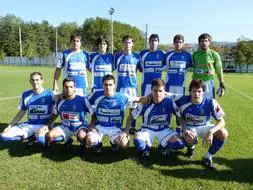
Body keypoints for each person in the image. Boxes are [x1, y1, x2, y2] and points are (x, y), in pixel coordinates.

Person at [175, 79, 228, 170]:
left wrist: (211, 132)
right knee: (188, 138)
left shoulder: (211, 102)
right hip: (189, 128)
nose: (196, 94)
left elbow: (222, 122)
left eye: (199, 91)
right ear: (190, 91)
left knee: (223, 133)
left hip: (205, 127)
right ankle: (191, 147)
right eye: (194, 91)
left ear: (203, 92)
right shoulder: (182, 99)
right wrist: (149, 95)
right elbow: (163, 94)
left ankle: (207, 157)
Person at [126, 78, 184, 158]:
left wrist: (184, 129)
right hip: (148, 129)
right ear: (151, 90)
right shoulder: (146, 102)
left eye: (160, 91)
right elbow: (131, 116)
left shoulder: (170, 102)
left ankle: (163, 146)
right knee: (138, 143)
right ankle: (146, 149)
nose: (157, 93)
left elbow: (179, 116)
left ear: (164, 91)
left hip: (164, 129)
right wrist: (126, 131)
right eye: (155, 91)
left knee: (179, 144)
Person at [85, 74, 142, 153]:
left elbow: (138, 99)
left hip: (115, 128)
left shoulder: (121, 97)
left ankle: (114, 142)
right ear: (102, 85)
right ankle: (98, 144)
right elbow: (83, 101)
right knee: (89, 141)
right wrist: (92, 121)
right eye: (106, 85)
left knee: (124, 144)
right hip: (99, 126)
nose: (108, 87)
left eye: (110, 85)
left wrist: (151, 97)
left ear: (114, 85)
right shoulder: (96, 95)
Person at [37, 77, 92, 150]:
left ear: (74, 87)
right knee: (49, 136)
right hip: (65, 127)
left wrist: (92, 126)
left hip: (80, 127)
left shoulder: (82, 100)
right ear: (63, 88)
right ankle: (68, 140)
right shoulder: (60, 102)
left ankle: (82, 143)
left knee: (81, 136)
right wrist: (47, 125)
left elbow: (93, 114)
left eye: (71, 87)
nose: (69, 89)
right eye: (66, 87)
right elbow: (55, 114)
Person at [1, 72, 54, 145]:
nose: (35, 82)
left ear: (42, 81)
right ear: (30, 82)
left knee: (41, 140)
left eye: (37, 80)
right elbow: (21, 113)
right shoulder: (26, 95)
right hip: (29, 125)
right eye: (33, 80)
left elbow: (57, 111)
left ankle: (37, 137)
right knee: (4, 135)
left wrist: (50, 125)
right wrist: (10, 125)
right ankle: (30, 136)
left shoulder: (50, 94)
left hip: (44, 126)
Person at [165, 34, 192, 133]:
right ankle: (165, 127)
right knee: (167, 106)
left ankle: (178, 128)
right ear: (173, 43)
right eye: (176, 42)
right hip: (168, 85)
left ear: (183, 43)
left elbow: (192, 66)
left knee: (179, 108)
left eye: (180, 42)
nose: (178, 44)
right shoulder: (168, 55)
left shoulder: (187, 55)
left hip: (181, 86)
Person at [115, 35, 143, 129]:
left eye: (129, 42)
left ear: (132, 44)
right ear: (123, 43)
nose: (127, 44)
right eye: (126, 42)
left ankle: (132, 128)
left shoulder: (137, 57)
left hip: (132, 87)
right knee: (120, 108)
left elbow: (142, 70)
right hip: (121, 87)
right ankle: (119, 126)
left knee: (133, 108)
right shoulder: (118, 56)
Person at [192, 33, 225, 98]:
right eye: (202, 41)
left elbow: (219, 70)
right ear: (199, 43)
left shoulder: (215, 54)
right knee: (195, 103)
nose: (204, 43)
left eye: (206, 41)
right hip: (196, 83)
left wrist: (221, 82)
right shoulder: (194, 54)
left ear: (209, 42)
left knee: (209, 103)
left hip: (209, 83)